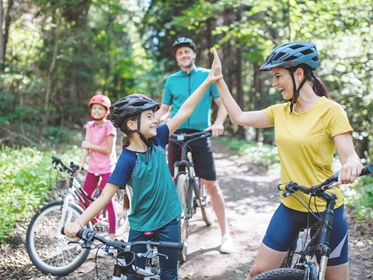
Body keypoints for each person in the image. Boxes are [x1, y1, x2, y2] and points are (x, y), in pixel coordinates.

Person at [208, 43, 362, 280]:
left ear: (299, 73)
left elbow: (348, 155)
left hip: (326, 209)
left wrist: (351, 164)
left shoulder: (331, 111)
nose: (274, 83)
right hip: (291, 205)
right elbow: (238, 117)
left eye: (278, 76)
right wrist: (218, 79)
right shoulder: (280, 112)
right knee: (258, 272)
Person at [64, 65, 223, 280]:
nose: (155, 120)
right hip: (140, 226)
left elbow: (184, 110)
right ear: (132, 124)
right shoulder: (127, 160)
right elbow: (104, 196)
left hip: (169, 220)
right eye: (149, 116)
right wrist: (79, 222)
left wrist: (206, 82)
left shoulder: (158, 138)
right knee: (133, 275)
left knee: (169, 275)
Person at [156, 37, 234, 254]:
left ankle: (225, 234)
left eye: (187, 52)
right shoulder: (172, 80)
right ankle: (169, 229)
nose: (184, 55)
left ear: (193, 54)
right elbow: (164, 108)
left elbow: (222, 105)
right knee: (172, 180)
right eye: (180, 52)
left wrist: (218, 123)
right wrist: (155, 121)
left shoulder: (205, 76)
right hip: (176, 133)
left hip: (201, 134)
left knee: (212, 185)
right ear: (176, 57)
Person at [77, 94, 117, 247]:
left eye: (100, 109)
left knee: (108, 201)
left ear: (106, 111)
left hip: (107, 166)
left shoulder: (109, 126)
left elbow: (108, 150)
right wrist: (81, 163)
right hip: (93, 167)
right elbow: (85, 147)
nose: (97, 111)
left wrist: (89, 145)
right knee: (85, 198)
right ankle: (92, 225)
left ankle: (112, 237)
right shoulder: (90, 126)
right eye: (94, 108)